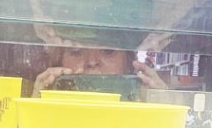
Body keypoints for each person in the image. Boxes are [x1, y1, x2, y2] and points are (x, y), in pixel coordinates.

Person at [31, 24, 168, 95]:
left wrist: (160, 107)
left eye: (108, 51)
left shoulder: (141, 103)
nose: (92, 61)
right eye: (76, 52)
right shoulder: (49, 103)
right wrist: (37, 106)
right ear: (59, 60)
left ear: (128, 62)